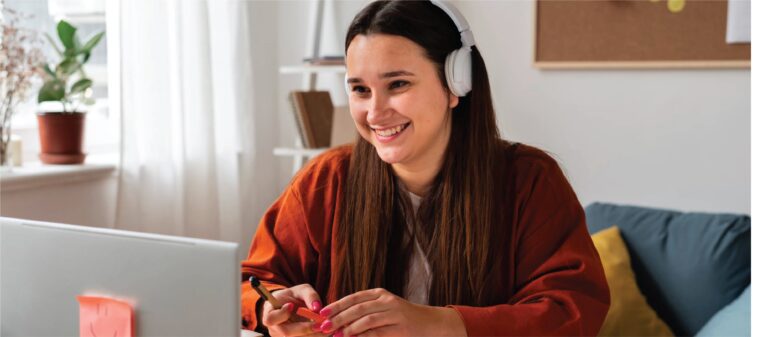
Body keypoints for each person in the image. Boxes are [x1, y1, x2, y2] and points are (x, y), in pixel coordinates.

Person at [241, 1, 610, 336]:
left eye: (398, 84)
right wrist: (270, 305)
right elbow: (250, 279)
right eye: (360, 90)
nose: (374, 113)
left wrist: (440, 323)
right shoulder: (326, 179)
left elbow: (571, 311)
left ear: (455, 84)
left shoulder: (530, 180)